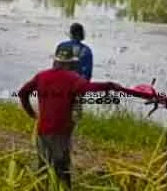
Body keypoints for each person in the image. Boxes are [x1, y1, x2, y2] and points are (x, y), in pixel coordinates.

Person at [17, 45, 118, 189]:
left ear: (56, 61)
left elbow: (22, 93)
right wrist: (110, 85)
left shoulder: (41, 76)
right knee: (62, 169)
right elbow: (90, 87)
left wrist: (31, 113)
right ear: (69, 63)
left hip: (42, 130)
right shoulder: (73, 79)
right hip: (61, 132)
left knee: (43, 167)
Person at [55, 22, 94, 124]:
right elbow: (87, 73)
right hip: (76, 87)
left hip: (59, 86)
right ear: (82, 34)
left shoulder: (61, 46)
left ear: (70, 33)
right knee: (75, 117)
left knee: (58, 112)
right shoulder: (86, 50)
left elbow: (55, 67)